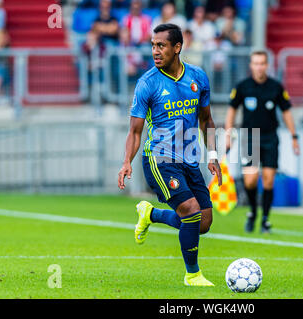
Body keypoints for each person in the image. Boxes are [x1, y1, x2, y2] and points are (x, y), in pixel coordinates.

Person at [118, 24, 222, 287]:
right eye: (153, 45)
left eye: (160, 45)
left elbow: (207, 120)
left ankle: (151, 214)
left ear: (177, 48)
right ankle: (193, 275)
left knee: (203, 222)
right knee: (190, 210)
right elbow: (135, 130)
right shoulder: (147, 83)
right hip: (159, 159)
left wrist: (213, 154)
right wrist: (126, 162)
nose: (155, 51)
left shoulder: (198, 77)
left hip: (189, 158)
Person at [225, 51, 300, 234]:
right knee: (250, 180)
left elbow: (287, 112)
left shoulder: (275, 87)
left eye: (262, 63)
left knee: (268, 181)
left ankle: (265, 220)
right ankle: (252, 211)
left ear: (267, 66)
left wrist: (294, 136)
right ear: (251, 66)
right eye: (256, 63)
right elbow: (232, 110)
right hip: (250, 136)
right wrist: (228, 133)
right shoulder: (243, 87)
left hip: (270, 137)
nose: (259, 67)